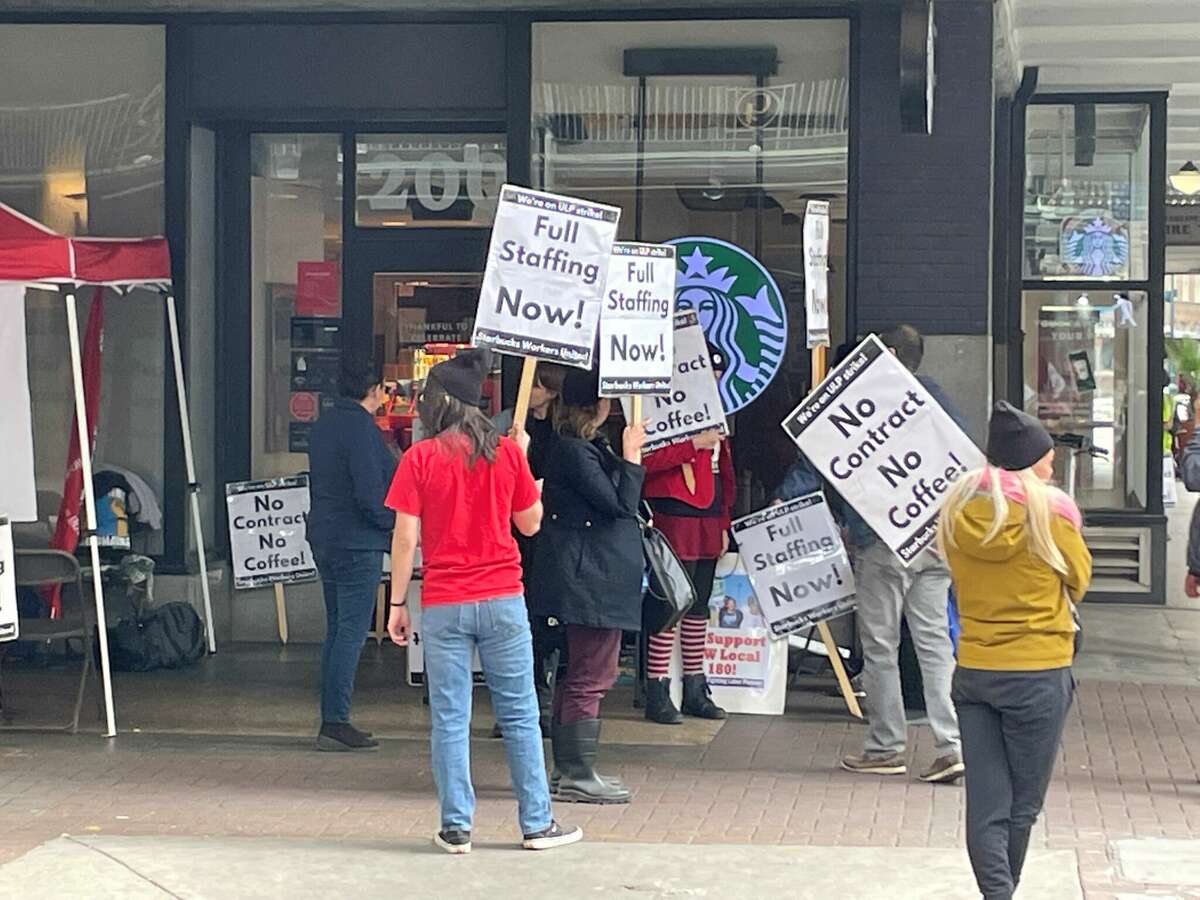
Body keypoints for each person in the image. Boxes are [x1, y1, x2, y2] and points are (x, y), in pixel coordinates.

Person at [383, 348, 581, 853]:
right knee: (518, 713)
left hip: (445, 600)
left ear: (438, 406)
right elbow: (531, 523)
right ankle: (537, 824)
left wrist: (398, 603)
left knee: (450, 716)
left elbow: (405, 538)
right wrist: (527, 468)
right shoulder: (508, 453)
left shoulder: (419, 459)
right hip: (503, 598)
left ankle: (456, 827)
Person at [938, 401, 1091, 900]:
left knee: (986, 806)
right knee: (1023, 805)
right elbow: (1080, 580)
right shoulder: (1050, 516)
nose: (1051, 466)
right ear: (1030, 463)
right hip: (1038, 671)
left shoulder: (958, 514)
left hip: (976, 669)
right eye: (1046, 458)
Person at [838, 324, 964, 783]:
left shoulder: (869, 402)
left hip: (884, 541)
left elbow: (836, 457)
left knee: (880, 646)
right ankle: (951, 745)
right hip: (934, 540)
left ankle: (886, 746)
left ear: (888, 353)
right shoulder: (937, 399)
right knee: (935, 646)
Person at [526, 365, 646, 804]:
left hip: (588, 575)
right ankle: (577, 772)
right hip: (588, 579)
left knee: (581, 672)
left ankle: (569, 768)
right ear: (598, 404)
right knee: (591, 673)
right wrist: (632, 458)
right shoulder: (575, 450)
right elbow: (620, 505)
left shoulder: (583, 447)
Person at [306, 354, 397, 752]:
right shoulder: (361, 428)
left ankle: (332, 715)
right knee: (351, 632)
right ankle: (336, 719)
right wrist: (393, 523)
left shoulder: (325, 424)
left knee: (337, 628)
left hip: (325, 535)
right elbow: (368, 491)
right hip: (356, 540)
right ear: (373, 390)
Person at [641, 345, 734, 725]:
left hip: (709, 516)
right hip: (673, 514)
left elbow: (725, 471)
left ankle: (695, 686)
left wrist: (725, 519)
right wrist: (691, 445)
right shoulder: (661, 411)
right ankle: (657, 689)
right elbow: (645, 461)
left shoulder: (718, 413)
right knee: (670, 603)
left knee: (699, 605)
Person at [490, 364, 567, 737]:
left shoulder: (561, 430)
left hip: (550, 530)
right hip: (518, 531)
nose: (532, 392)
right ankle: (517, 705)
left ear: (551, 392)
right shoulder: (512, 424)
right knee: (518, 622)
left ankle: (545, 699)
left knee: (544, 619)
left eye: (538, 386)